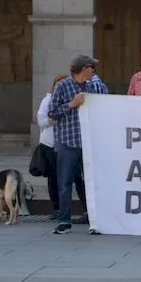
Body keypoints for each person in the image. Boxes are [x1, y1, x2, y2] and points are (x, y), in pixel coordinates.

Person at [48, 55, 109, 235]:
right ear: (83, 68)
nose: (94, 71)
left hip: (90, 142)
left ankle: (95, 220)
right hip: (68, 141)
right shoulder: (62, 86)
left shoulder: (92, 86)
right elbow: (52, 112)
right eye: (92, 67)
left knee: (91, 182)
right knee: (65, 182)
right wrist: (71, 104)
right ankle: (64, 220)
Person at [37, 74, 86, 220]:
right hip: (51, 143)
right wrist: (54, 118)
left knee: (77, 177)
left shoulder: (74, 100)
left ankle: (85, 209)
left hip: (69, 143)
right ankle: (57, 208)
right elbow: (41, 120)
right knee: (54, 177)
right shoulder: (48, 100)